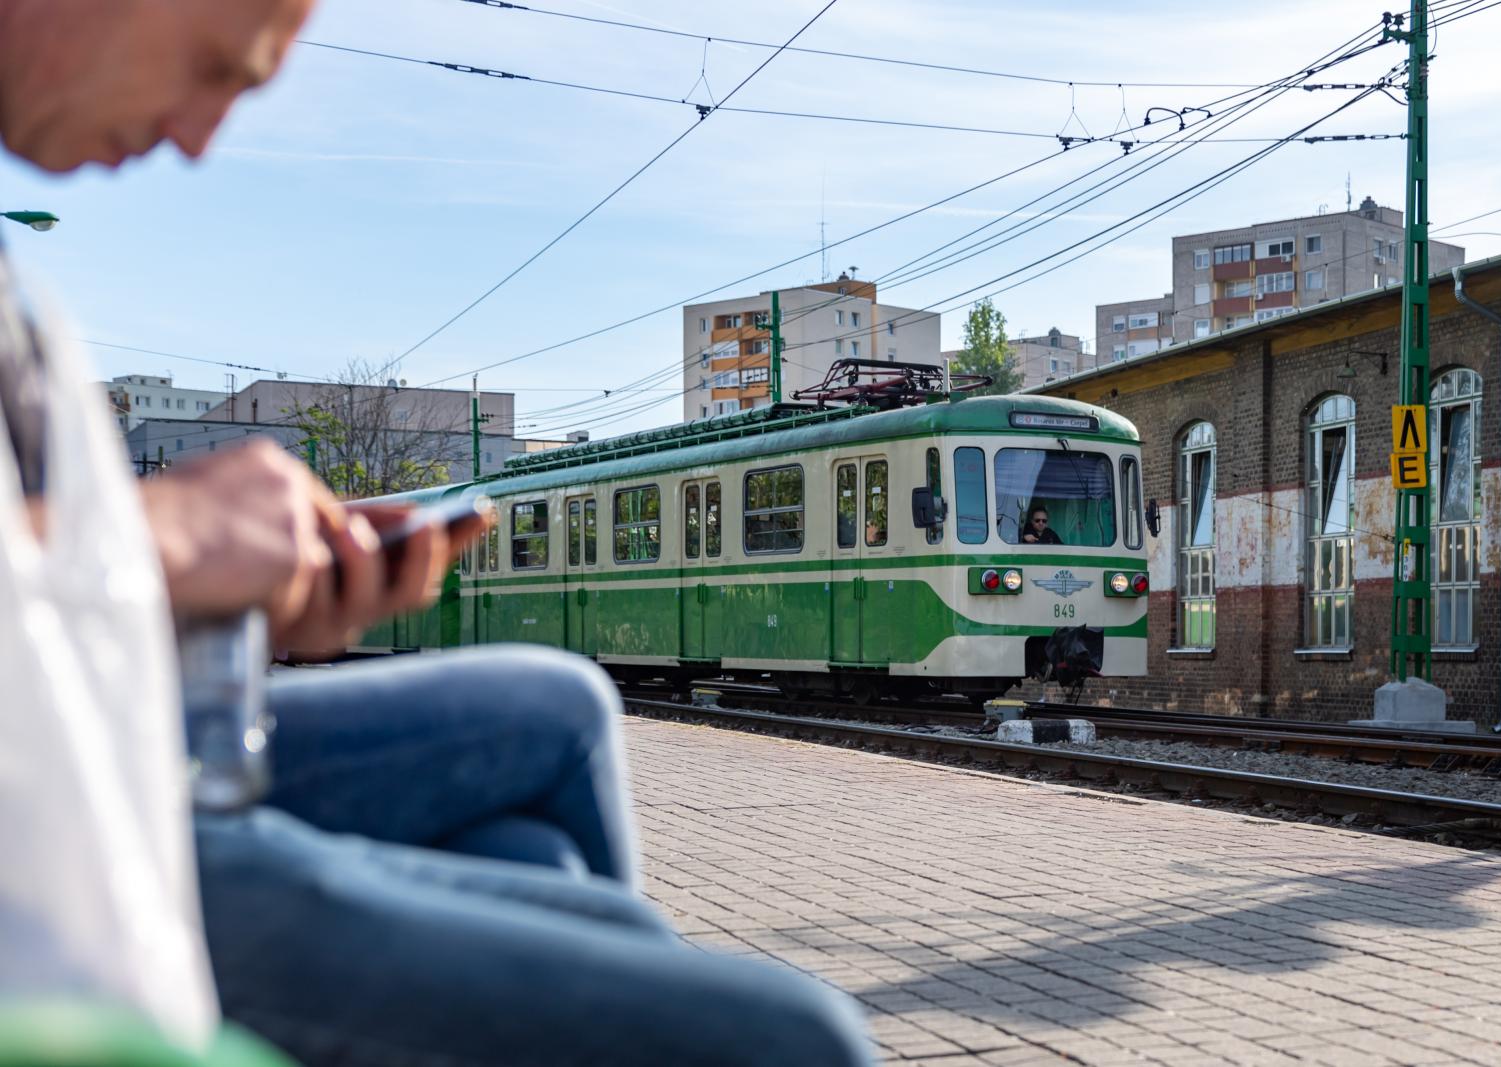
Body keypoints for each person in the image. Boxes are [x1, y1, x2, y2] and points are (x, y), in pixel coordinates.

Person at [0, 2, 874, 1064]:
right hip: (64, 816)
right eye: (213, 65)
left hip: (108, 725)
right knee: (790, 1031)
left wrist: (253, 592)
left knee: (557, 743)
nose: (197, 138)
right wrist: (161, 532)